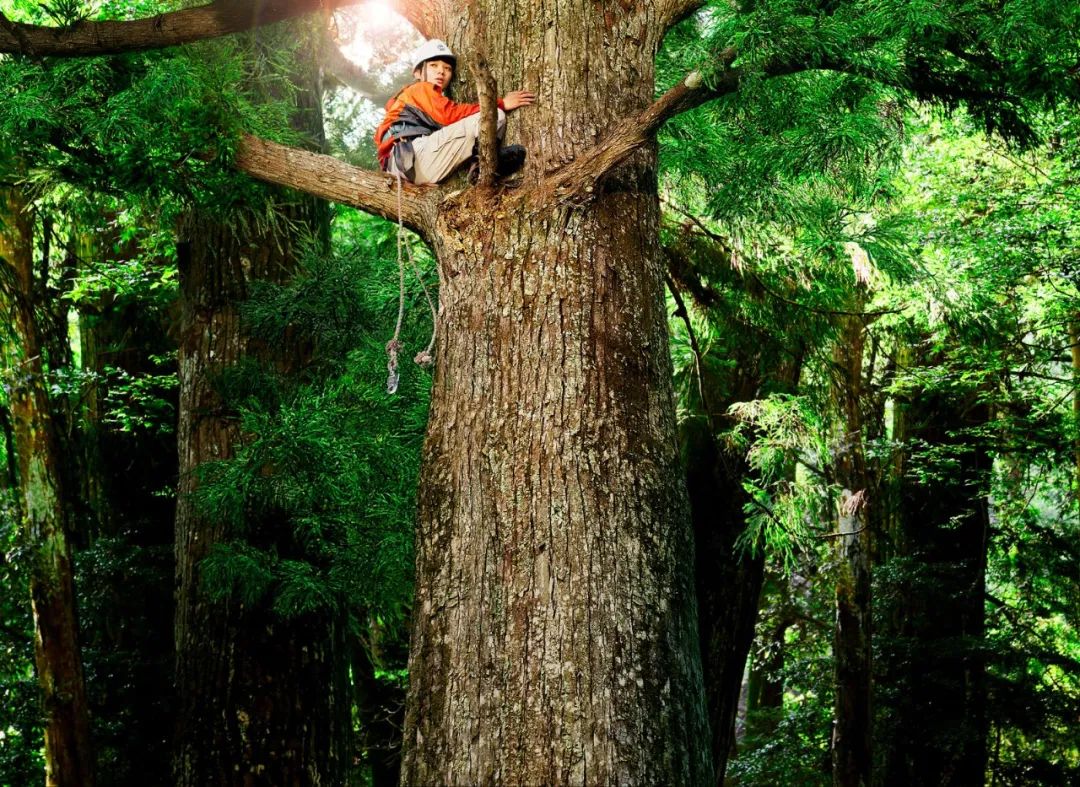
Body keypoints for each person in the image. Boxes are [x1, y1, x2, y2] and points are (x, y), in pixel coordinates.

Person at [375, 39, 536, 184]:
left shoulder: (402, 102)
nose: (441, 71)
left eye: (447, 68)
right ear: (418, 72)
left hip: (407, 169)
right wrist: (501, 103)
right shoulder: (418, 89)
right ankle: (486, 163)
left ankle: (479, 168)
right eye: (433, 65)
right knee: (496, 116)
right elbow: (450, 115)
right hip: (414, 157)